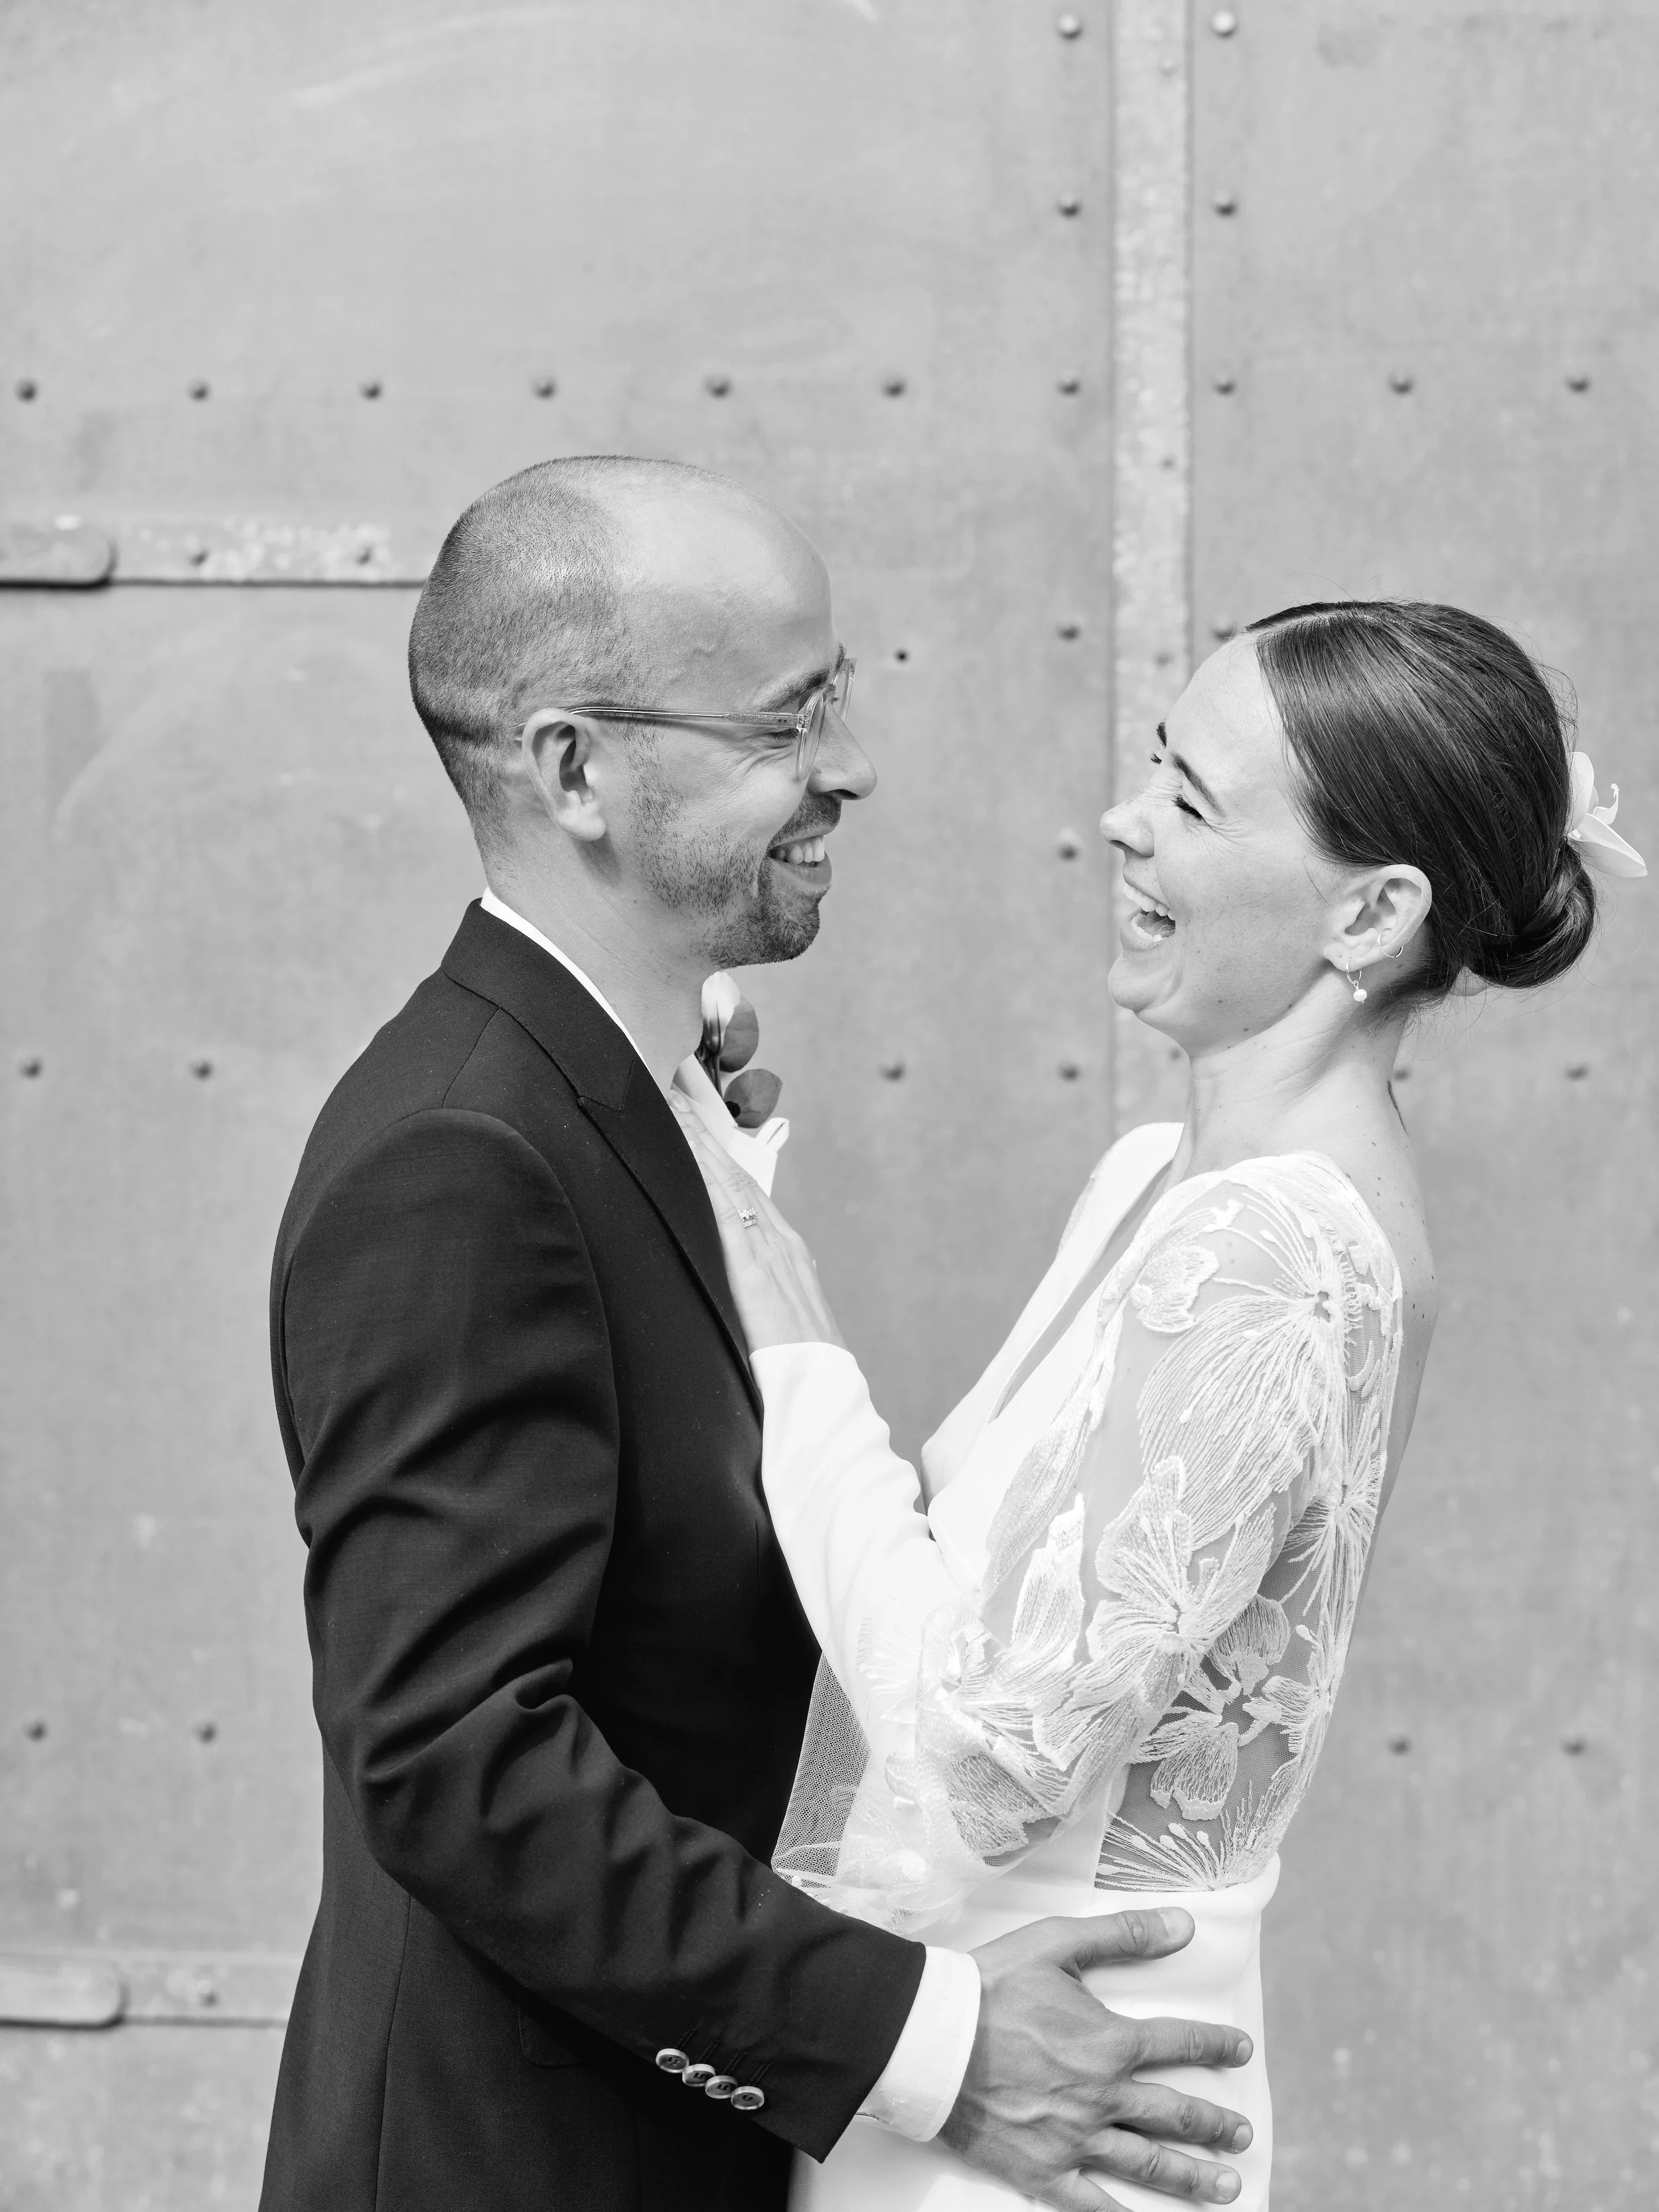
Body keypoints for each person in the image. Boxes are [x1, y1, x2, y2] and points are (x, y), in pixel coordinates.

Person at [259, 455, 1262, 2212]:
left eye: (841, 692)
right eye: (787, 719)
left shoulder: (620, 1097)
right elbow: (456, 1758)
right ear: (573, 767)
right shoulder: (460, 1158)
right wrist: (926, 2040)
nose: (852, 762)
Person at [684, 599, 1645, 2211]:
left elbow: (993, 1753)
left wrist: (785, 1329)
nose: (1123, 822)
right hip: (973, 2068)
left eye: (1191, 803)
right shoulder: (1163, 1178)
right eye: (1152, 767)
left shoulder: (1273, 1250)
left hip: (1065, 2111)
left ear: (1370, 914)